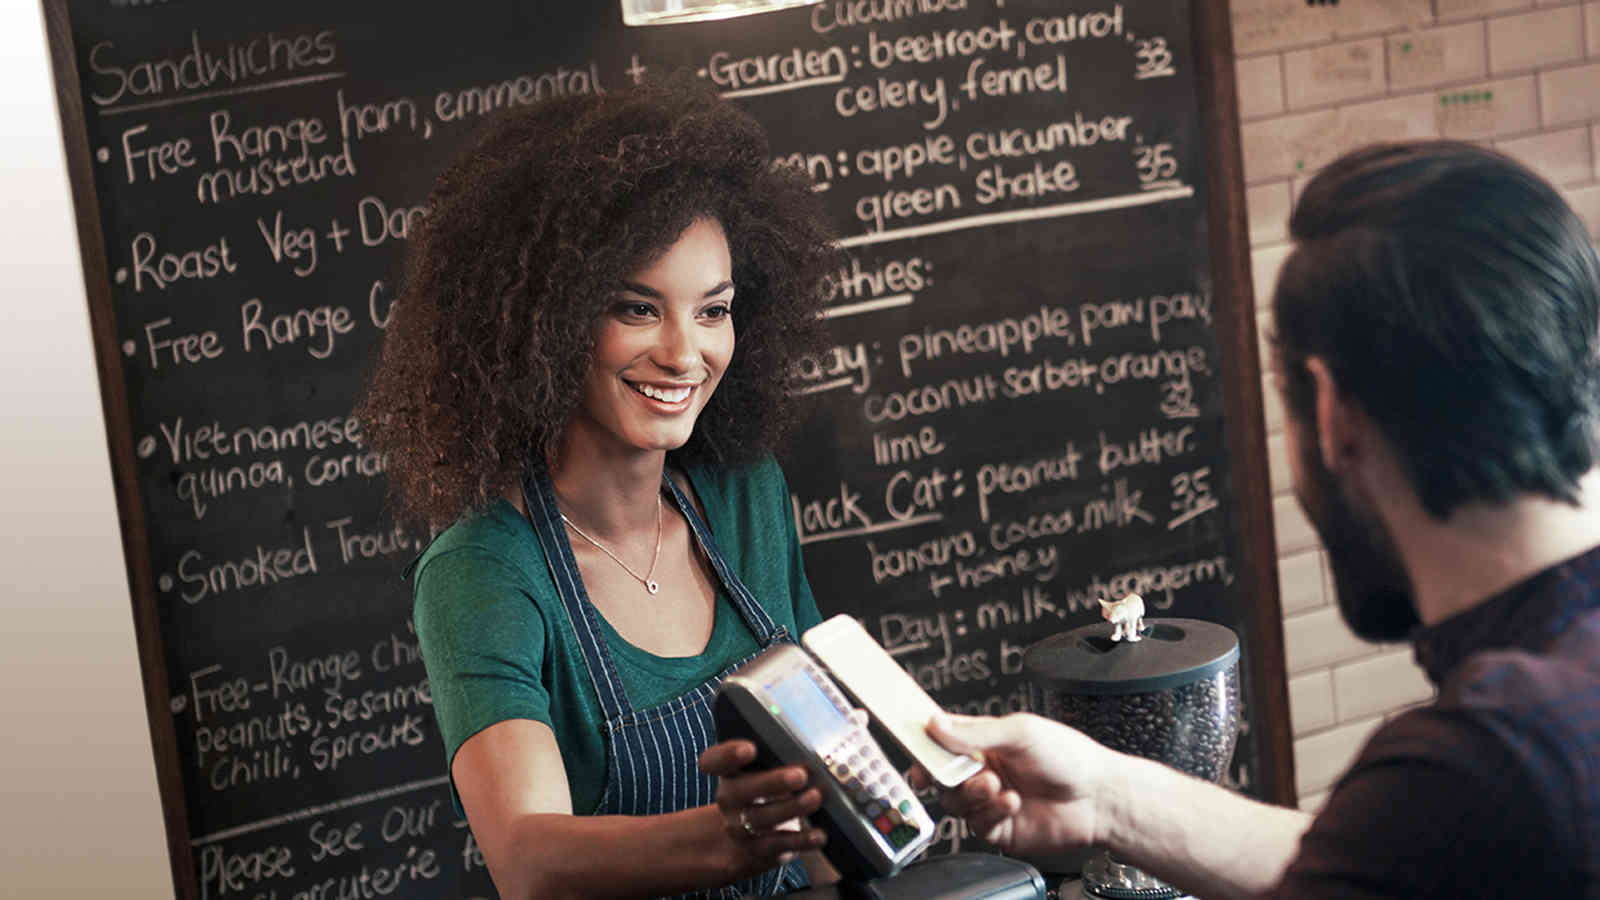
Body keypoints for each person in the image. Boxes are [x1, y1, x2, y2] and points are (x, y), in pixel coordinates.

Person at [916, 141, 1599, 898]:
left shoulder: (1491, 765)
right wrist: (1109, 796)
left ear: (1333, 408)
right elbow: (1386, 858)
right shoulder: (1499, 771)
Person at [357, 79, 845, 899]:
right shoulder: (484, 572)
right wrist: (735, 837)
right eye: (637, 308)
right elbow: (529, 860)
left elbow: (830, 770)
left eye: (714, 310)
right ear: (545, 324)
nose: (686, 354)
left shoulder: (746, 495)